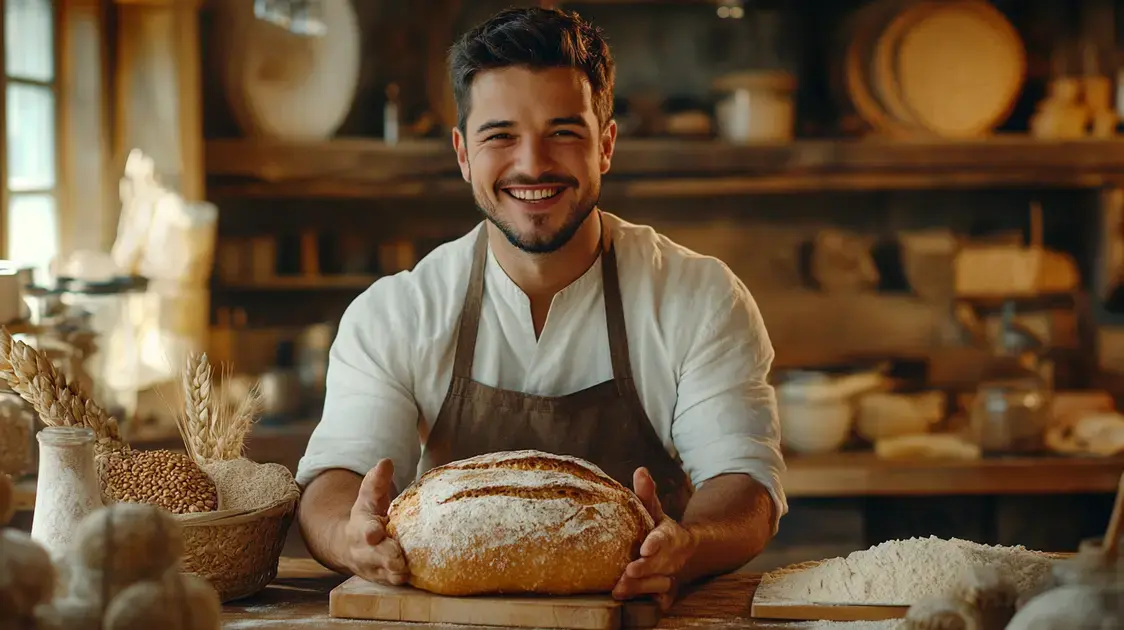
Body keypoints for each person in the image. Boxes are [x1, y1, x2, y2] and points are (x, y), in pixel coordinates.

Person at [295, 6, 787, 610]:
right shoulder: (397, 313)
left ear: (605, 145)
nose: (532, 164)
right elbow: (336, 477)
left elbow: (744, 484)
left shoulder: (699, 298)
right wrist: (352, 539)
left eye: (564, 132)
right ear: (462, 154)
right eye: (500, 135)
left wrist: (687, 544)